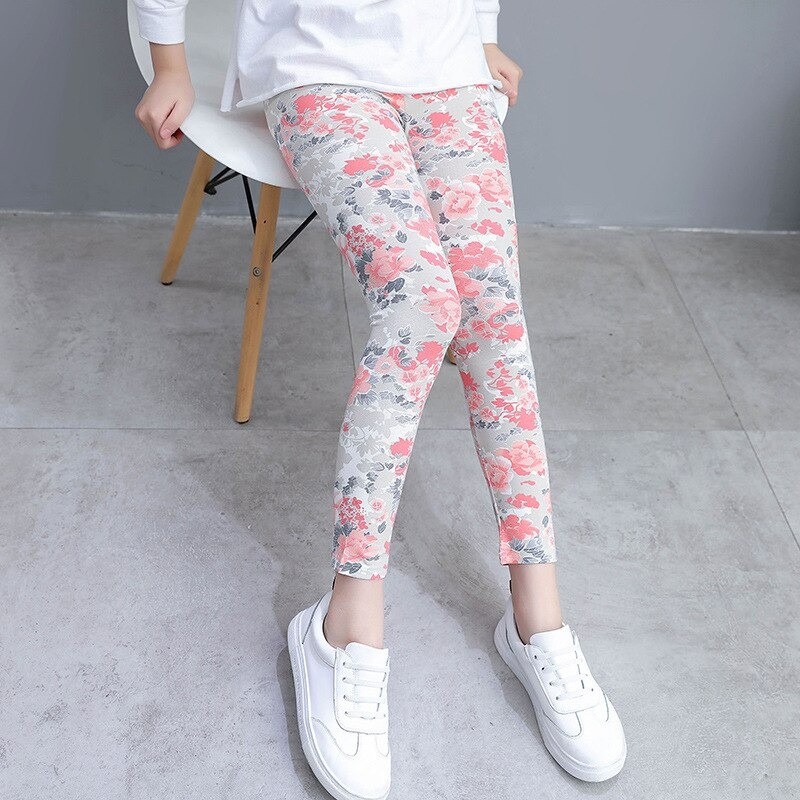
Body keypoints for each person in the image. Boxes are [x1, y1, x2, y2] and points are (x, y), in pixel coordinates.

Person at [132, 1, 627, 796]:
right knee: (420, 306)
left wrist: (482, 31)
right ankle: (344, 625)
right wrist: (169, 63)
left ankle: (537, 614)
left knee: (495, 317)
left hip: (448, 67)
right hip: (318, 66)